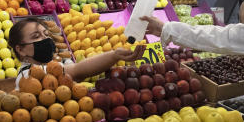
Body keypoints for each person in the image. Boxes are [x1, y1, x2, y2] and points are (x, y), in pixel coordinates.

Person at [8, 17, 144, 88]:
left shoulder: (50, 65)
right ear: (20, 49)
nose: (45, 39)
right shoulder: (28, 75)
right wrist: (114, 55)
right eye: (36, 36)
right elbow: (77, 71)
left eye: (46, 34)